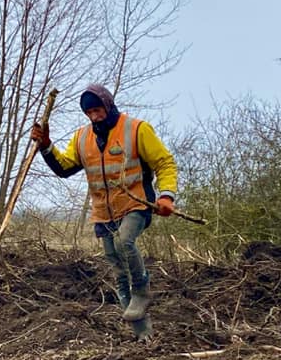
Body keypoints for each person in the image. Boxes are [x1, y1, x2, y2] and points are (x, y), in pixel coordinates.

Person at [30, 84, 177, 342]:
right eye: (89, 113)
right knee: (119, 272)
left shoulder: (136, 129)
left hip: (136, 204)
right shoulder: (82, 138)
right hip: (103, 213)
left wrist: (166, 195)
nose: (94, 116)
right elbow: (64, 168)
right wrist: (46, 146)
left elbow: (164, 162)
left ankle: (142, 290)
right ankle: (142, 334)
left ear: (108, 106)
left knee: (124, 242)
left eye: (97, 110)